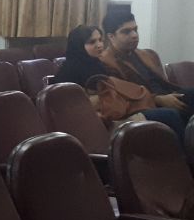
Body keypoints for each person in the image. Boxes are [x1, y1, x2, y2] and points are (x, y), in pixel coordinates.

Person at [55, 24, 185, 136]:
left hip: (116, 114)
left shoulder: (96, 64)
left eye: (100, 40)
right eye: (92, 42)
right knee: (168, 115)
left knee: (175, 109)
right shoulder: (69, 71)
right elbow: (72, 108)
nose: (99, 45)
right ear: (78, 45)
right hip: (99, 124)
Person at [100, 8, 192, 117]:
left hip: (167, 95)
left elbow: (163, 84)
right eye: (126, 31)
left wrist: (168, 96)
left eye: (135, 29)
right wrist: (158, 100)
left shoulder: (148, 54)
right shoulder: (105, 62)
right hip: (144, 106)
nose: (134, 35)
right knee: (170, 114)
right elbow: (122, 97)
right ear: (111, 37)